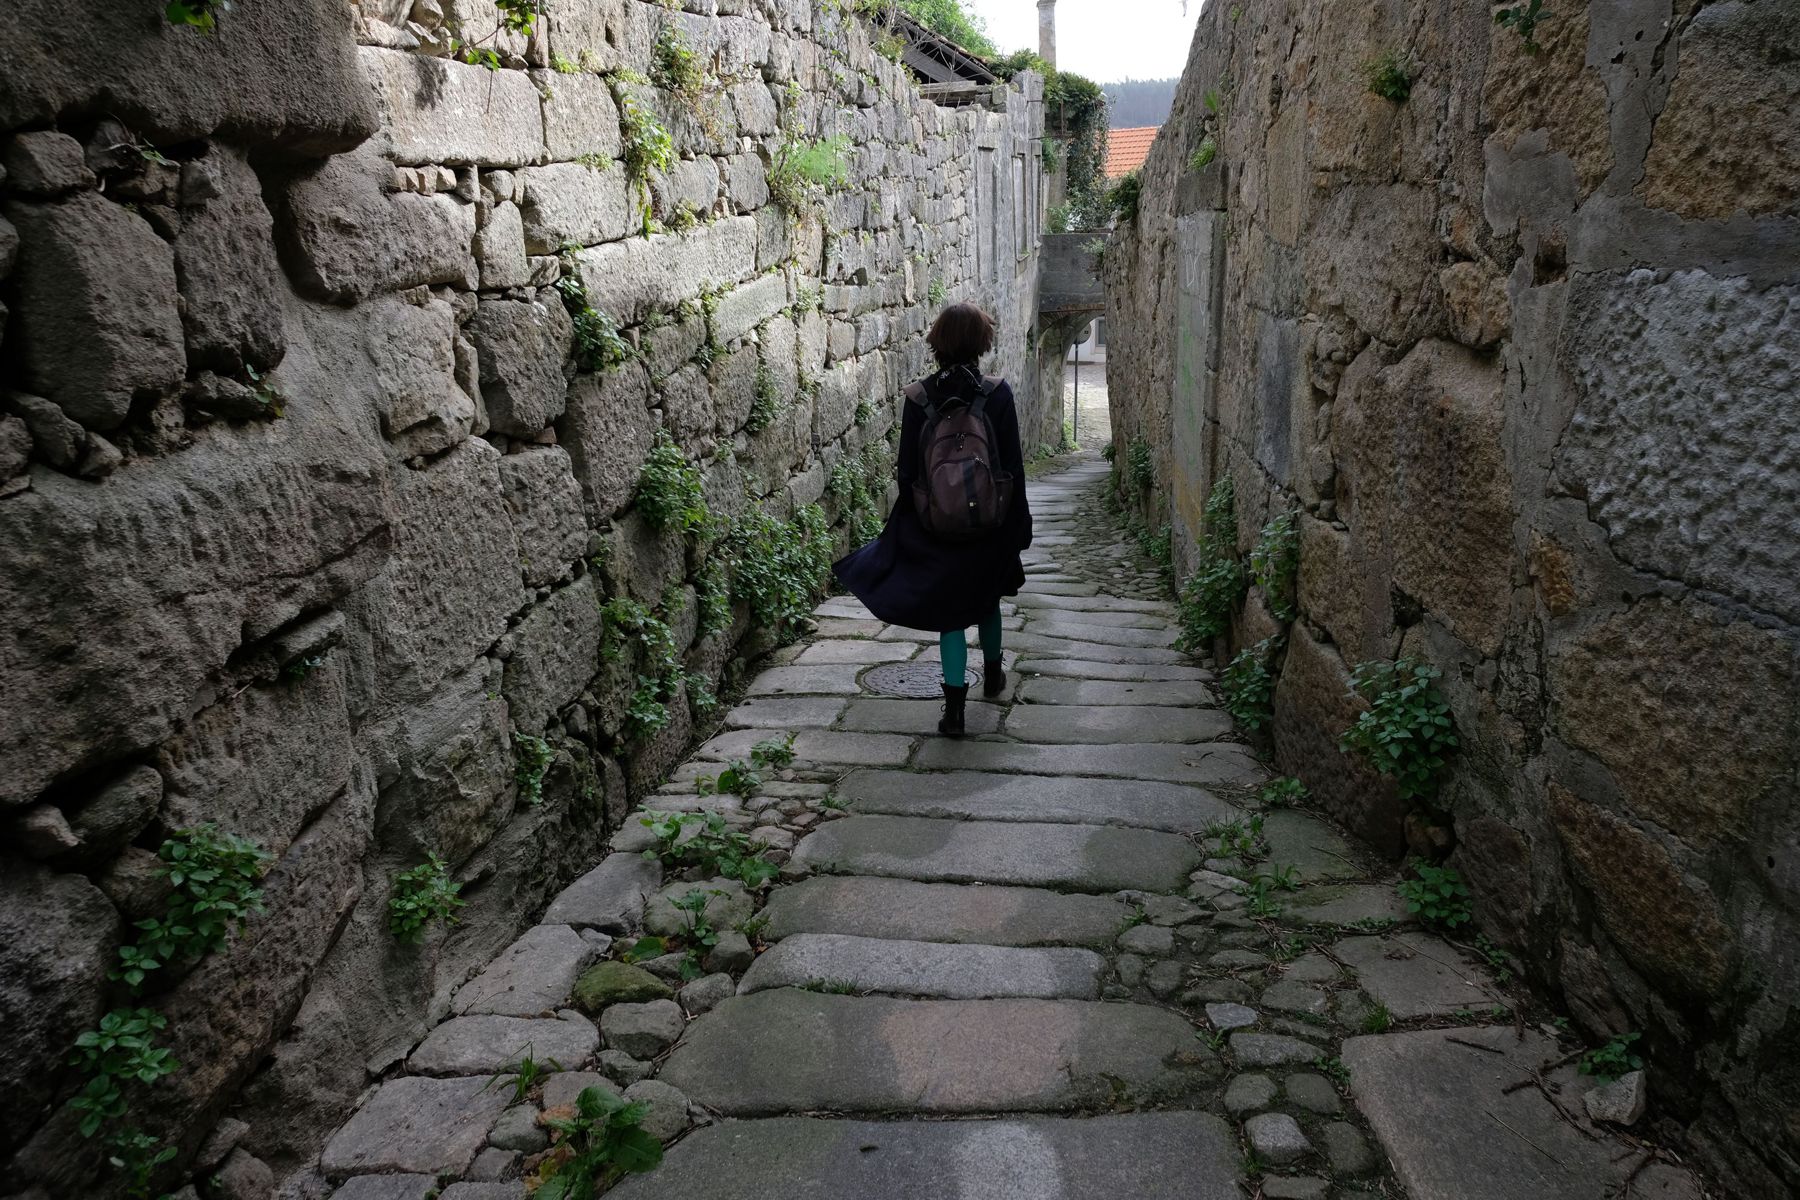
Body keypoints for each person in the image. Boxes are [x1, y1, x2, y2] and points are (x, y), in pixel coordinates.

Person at [832, 302, 1033, 736]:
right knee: (987, 597)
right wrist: (1019, 524)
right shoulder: (997, 394)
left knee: (951, 615)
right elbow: (1012, 468)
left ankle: (954, 712)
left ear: (937, 342)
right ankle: (994, 676)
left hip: (938, 525)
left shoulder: (919, 397)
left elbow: (908, 472)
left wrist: (917, 522)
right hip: (990, 525)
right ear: (983, 343)